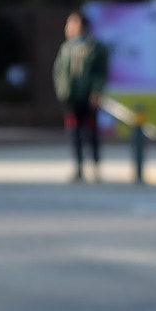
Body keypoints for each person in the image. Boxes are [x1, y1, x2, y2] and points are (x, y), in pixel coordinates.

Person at [52, 11, 111, 183]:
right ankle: (78, 166)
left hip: (89, 97)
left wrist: (96, 91)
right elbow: (59, 71)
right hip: (71, 97)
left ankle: (95, 165)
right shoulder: (67, 47)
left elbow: (101, 72)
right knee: (74, 132)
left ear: (83, 26)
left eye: (73, 24)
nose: (69, 28)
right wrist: (62, 90)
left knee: (91, 132)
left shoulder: (96, 47)